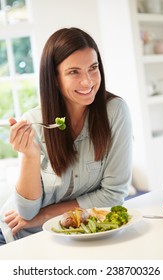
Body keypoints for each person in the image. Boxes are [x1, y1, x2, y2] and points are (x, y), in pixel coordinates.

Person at [0, 27, 133, 245]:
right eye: (74, 72)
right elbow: (26, 212)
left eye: (93, 68)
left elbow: (114, 195)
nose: (88, 81)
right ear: (54, 78)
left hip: (73, 235)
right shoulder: (35, 122)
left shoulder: (115, 112)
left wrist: (45, 216)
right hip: (18, 236)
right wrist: (30, 157)